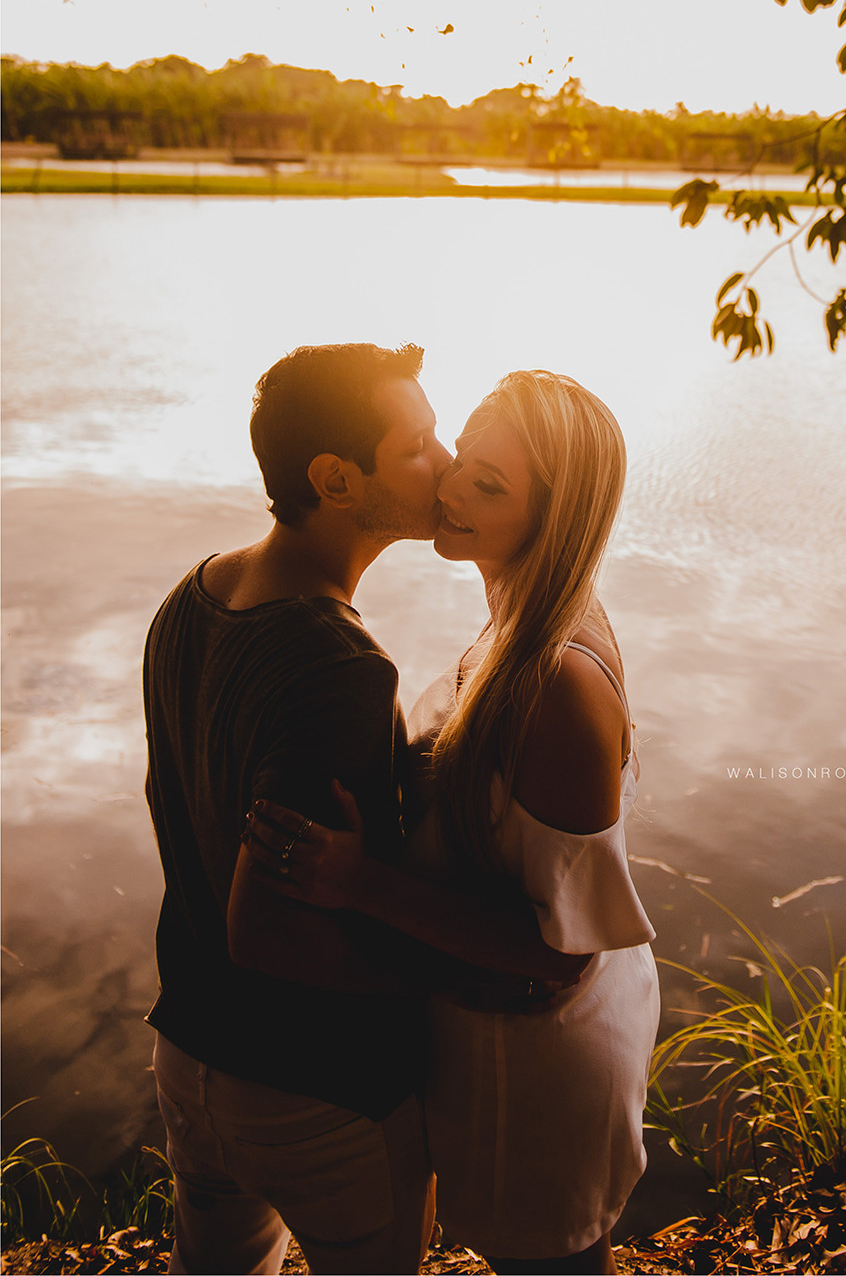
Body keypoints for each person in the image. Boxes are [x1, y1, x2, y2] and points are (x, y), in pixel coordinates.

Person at [250, 369, 660, 1275]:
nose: (450, 489)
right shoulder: (521, 617)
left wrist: (360, 882)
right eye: (462, 463)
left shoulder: (556, 678)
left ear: (552, 517)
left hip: (545, 1058)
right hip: (500, 1030)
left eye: (490, 485)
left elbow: (563, 949)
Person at [143, 341, 450, 1276]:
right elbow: (266, 933)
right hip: (315, 1092)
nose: (445, 462)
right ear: (335, 478)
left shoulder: (192, 596)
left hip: (191, 1058)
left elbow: (171, 800)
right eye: (419, 445)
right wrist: (434, 991)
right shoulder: (338, 668)